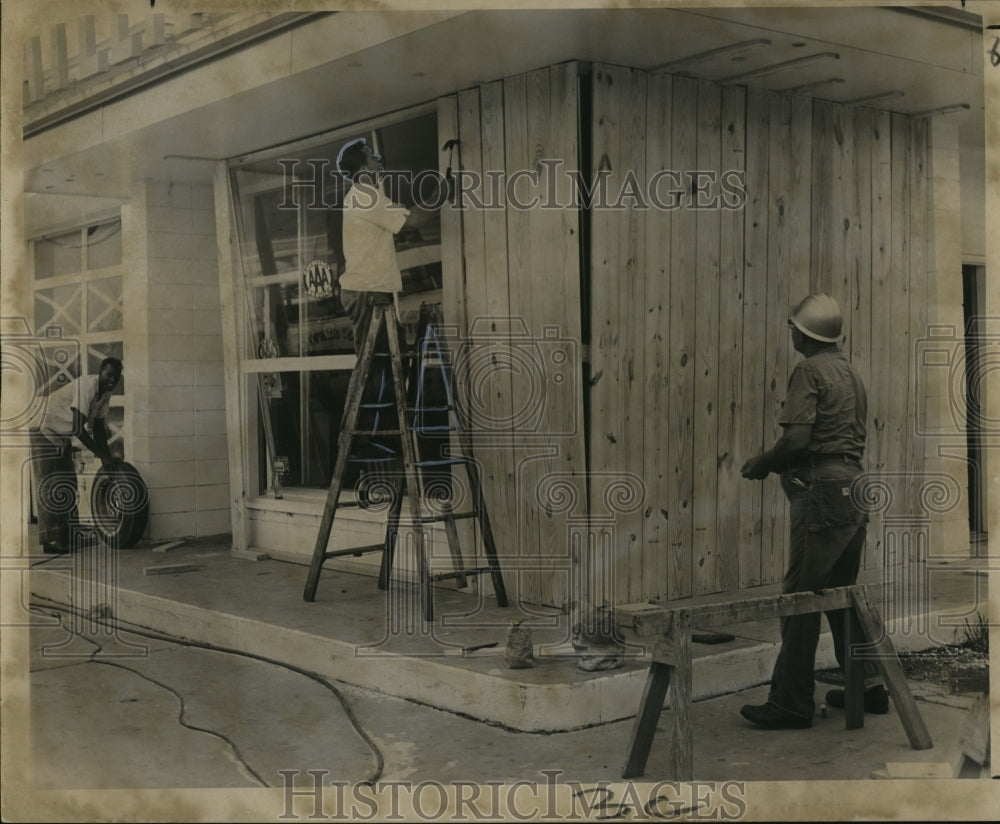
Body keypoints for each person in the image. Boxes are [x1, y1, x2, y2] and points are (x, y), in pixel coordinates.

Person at [738, 294, 887, 729]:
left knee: (801, 596)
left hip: (822, 491)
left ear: (802, 333)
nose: (791, 335)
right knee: (840, 591)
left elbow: (797, 441)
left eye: (792, 329)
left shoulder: (807, 370)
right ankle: (869, 685)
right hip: (855, 489)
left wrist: (763, 463)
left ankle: (790, 702)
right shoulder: (849, 373)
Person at [30, 357, 123, 553]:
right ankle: (52, 541)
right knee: (50, 484)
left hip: (59, 433)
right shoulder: (87, 386)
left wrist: (106, 458)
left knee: (68, 482)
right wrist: (102, 456)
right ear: (100, 373)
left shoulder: (105, 394)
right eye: (108, 375)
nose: (112, 380)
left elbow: (98, 430)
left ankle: (68, 535)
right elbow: (79, 430)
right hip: (43, 428)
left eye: (116, 377)